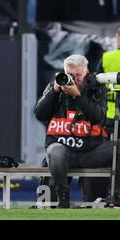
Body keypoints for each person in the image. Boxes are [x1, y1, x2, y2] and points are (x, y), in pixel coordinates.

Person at [34, 54, 120, 208]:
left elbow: (98, 117)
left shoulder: (97, 89)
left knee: (117, 146)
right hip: (63, 147)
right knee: (55, 152)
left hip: (91, 151)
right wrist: (54, 90)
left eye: (78, 76)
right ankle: (63, 198)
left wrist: (78, 96)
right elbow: (40, 114)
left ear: (86, 73)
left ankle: (117, 197)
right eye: (70, 75)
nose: (73, 80)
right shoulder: (56, 88)